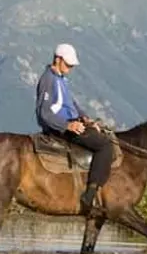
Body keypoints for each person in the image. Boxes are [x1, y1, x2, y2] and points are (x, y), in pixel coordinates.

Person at [35, 42, 113, 216]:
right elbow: (44, 113)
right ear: (58, 59)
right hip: (61, 129)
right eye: (68, 64)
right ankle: (90, 194)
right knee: (105, 146)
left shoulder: (60, 79)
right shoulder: (48, 79)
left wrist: (85, 118)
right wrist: (67, 125)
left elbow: (71, 105)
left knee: (106, 137)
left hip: (72, 124)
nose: (70, 68)